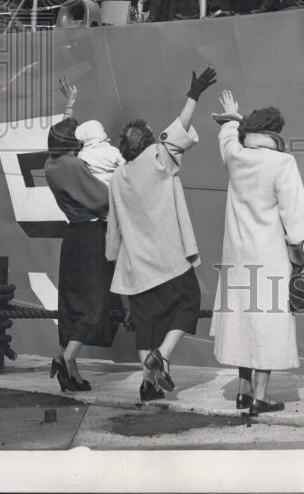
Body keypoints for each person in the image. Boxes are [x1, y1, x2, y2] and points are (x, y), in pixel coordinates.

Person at [105, 64, 217, 401]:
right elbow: (178, 129)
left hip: (135, 265)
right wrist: (193, 95)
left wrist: (112, 257)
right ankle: (164, 356)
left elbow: (114, 225)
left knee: (145, 325)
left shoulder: (116, 178)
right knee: (189, 302)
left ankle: (148, 383)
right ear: (148, 142)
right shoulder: (157, 159)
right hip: (167, 259)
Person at [210, 90, 304, 415]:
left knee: (242, 320)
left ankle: (242, 391)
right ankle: (259, 395)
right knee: (266, 325)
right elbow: (295, 216)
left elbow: (227, 137)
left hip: (237, 256)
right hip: (269, 256)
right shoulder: (282, 163)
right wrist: (303, 255)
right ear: (276, 133)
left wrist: (232, 116)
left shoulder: (235, 157)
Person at [44, 78, 122, 392]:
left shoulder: (52, 163)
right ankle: (65, 358)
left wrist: (69, 105)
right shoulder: (75, 167)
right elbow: (103, 199)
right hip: (92, 237)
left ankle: (71, 374)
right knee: (95, 304)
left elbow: (63, 135)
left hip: (72, 239)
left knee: (73, 304)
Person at [75, 119, 125, 187]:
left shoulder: (82, 155)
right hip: (116, 187)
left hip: (98, 190)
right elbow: (125, 167)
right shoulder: (112, 151)